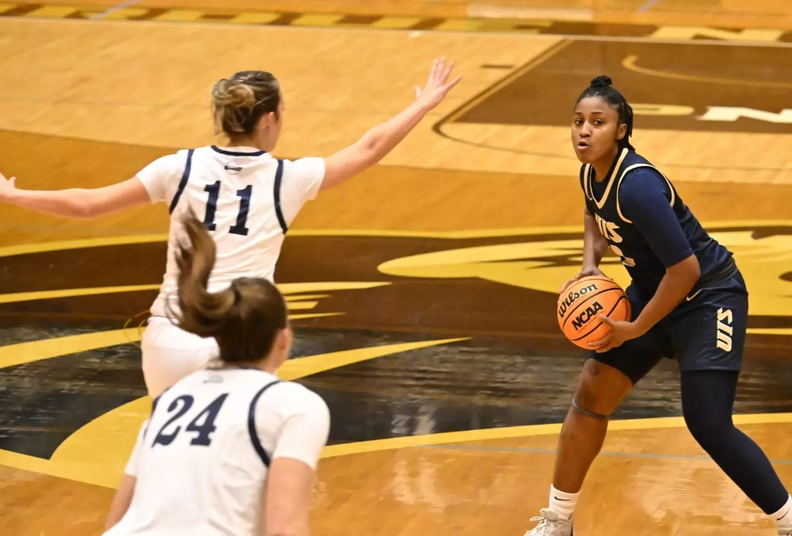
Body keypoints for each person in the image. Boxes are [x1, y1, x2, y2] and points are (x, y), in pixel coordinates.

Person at [514, 76, 792, 536]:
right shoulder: (592, 173)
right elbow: (594, 216)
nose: (584, 132)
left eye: (598, 123)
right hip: (655, 290)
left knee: (707, 422)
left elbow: (686, 270)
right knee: (592, 389)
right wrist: (591, 263)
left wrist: (636, 328)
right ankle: (558, 519)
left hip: (709, 298)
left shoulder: (637, 185)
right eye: (578, 122)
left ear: (622, 130)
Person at [0, 59, 460, 398]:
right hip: (239, 338)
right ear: (269, 119)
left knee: (171, 463)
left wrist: (15, 196)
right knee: (236, 476)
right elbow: (369, 147)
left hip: (169, 337)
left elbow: (88, 205)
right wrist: (422, 103)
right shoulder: (288, 179)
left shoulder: (177, 167)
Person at [92, 215, 335, 536]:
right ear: (284, 339)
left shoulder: (171, 399)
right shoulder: (294, 404)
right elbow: (284, 529)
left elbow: (114, 529)